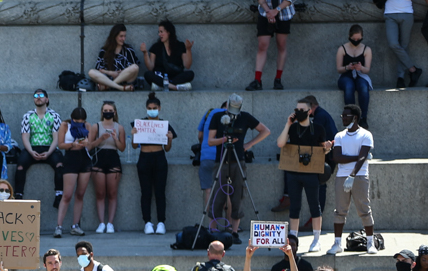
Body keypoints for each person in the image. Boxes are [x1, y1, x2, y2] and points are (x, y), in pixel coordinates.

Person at [207, 94, 270, 234]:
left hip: (238, 160)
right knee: (218, 194)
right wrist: (224, 139)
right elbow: (210, 141)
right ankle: (213, 230)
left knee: (238, 195)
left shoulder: (245, 117)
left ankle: (234, 231)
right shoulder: (218, 117)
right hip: (222, 160)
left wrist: (248, 144)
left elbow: (266, 131)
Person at [276, 97, 328, 249]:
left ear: (310, 111)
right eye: (296, 110)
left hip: (311, 172)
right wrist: (288, 124)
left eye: (302, 110)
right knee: (294, 206)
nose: (298, 113)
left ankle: (316, 239)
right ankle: (293, 238)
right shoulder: (293, 128)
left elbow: (323, 149)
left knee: (314, 204)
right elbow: (280, 143)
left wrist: (327, 146)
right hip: (294, 172)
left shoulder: (318, 128)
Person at [328, 104, 378, 255]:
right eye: (342, 116)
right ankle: (337, 243)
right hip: (341, 176)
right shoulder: (339, 136)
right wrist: (358, 157)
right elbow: (337, 157)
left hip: (360, 175)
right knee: (339, 211)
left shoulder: (365, 134)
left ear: (355, 117)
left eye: (346, 116)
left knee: (364, 209)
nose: (343, 118)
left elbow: (363, 157)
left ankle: (370, 242)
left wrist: (353, 174)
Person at [131, 95, 177, 235]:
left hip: (159, 157)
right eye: (150, 108)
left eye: (154, 108)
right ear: (146, 109)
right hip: (144, 157)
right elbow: (134, 146)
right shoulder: (139, 124)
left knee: (160, 192)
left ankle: (161, 222)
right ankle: (147, 222)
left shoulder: (164, 125)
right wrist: (133, 134)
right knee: (145, 192)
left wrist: (169, 139)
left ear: (159, 108)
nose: (152, 111)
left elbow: (167, 149)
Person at [16, 89, 65, 204]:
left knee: (59, 164)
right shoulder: (27, 116)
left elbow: (56, 138)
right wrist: (31, 151)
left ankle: (59, 194)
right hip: (32, 147)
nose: (38, 97)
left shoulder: (54, 115)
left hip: (50, 147)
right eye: (36, 95)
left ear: (47, 99)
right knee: (20, 166)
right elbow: (25, 136)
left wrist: (49, 153)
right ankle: (18, 195)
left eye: (41, 95)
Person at [382, 0, 421, 88]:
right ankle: (413, 69)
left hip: (407, 14)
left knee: (403, 46)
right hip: (390, 14)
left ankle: (400, 77)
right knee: (393, 44)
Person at [55, 107, 93, 238]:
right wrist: (72, 144)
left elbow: (90, 145)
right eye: (77, 120)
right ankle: (59, 226)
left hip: (84, 159)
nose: (79, 122)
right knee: (67, 195)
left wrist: (86, 143)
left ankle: (75, 225)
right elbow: (60, 144)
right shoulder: (65, 125)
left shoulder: (87, 125)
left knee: (80, 194)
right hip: (71, 159)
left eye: (81, 120)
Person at [88, 101, 125, 234]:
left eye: (110, 110)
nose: (107, 112)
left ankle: (110, 223)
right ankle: (101, 223)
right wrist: (100, 139)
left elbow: (122, 148)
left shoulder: (119, 127)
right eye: (105, 110)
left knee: (112, 193)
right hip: (99, 159)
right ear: (102, 111)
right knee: (100, 193)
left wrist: (115, 139)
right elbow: (89, 146)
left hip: (113, 159)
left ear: (114, 112)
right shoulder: (95, 126)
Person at [138, 20, 194, 91]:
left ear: (168, 32)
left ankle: (162, 86)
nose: (159, 34)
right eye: (159, 32)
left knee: (190, 74)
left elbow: (187, 65)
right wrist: (145, 53)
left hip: (176, 76)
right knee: (148, 74)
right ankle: (175, 87)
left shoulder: (180, 46)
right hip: (160, 76)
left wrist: (188, 50)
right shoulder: (156, 47)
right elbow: (150, 67)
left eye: (161, 32)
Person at [338, 25, 374, 127]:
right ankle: (351, 117)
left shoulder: (366, 49)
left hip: (360, 74)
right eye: (354, 39)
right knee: (349, 87)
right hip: (346, 75)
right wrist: (347, 67)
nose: (356, 41)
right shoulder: (342, 49)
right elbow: (339, 69)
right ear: (349, 36)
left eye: (358, 39)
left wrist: (360, 68)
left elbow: (367, 70)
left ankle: (363, 118)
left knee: (363, 86)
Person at [88, 24, 140, 92]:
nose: (123, 39)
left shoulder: (128, 50)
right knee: (91, 72)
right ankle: (120, 88)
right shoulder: (104, 51)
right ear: (114, 36)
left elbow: (131, 69)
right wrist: (111, 73)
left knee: (135, 67)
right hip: (107, 79)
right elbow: (99, 69)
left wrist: (121, 73)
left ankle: (108, 86)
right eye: (121, 36)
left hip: (124, 79)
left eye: (124, 36)